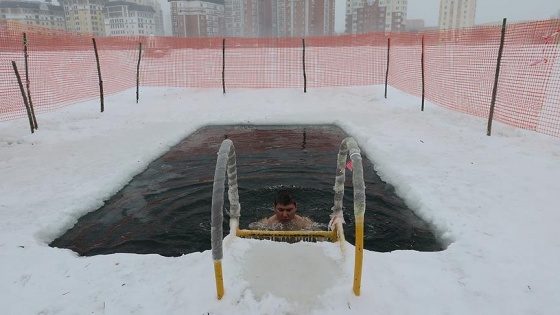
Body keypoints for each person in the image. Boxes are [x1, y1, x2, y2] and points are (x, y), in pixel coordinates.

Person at [248, 189, 319, 231]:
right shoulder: (266, 224)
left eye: (289, 210)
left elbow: (322, 240)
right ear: (274, 208)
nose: (285, 215)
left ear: (296, 207)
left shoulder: (305, 224)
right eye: (281, 210)